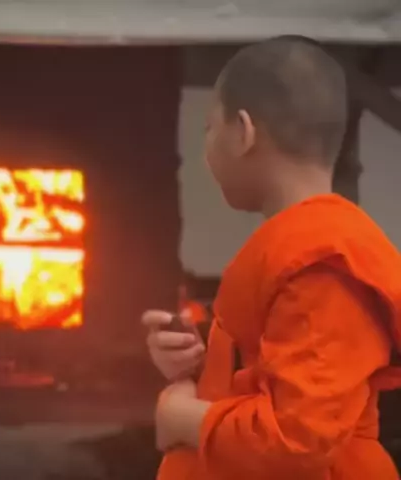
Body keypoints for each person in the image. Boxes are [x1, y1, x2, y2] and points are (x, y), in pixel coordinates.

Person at [143, 36, 401, 480]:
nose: (206, 148)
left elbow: (298, 438)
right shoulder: (296, 245)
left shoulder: (324, 263)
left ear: (243, 132)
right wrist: (200, 367)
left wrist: (184, 419)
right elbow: (277, 380)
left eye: (210, 128)